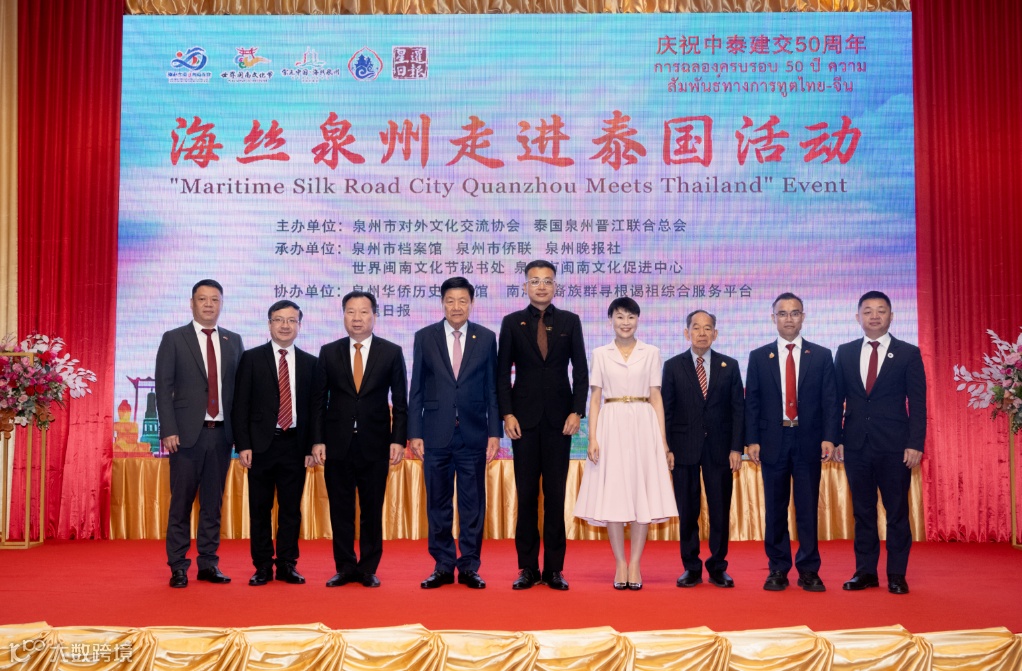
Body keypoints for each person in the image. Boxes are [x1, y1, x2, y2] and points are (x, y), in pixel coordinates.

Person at [573, 297, 677, 590]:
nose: (625, 323)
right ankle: (620, 562)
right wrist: (592, 437)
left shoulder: (651, 352)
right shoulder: (600, 353)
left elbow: (656, 397)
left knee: (642, 495)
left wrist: (663, 442)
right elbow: (595, 399)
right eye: (620, 317)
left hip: (643, 424)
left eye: (631, 317)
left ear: (638, 320)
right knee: (614, 496)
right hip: (612, 423)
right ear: (611, 321)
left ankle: (635, 564)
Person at [497, 260, 588, 591]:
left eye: (547, 281)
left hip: (559, 422)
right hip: (523, 421)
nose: (541, 286)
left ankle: (554, 569)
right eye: (534, 281)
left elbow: (581, 370)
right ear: (525, 286)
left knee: (555, 495)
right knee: (526, 495)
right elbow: (501, 373)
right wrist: (507, 414)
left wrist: (577, 411)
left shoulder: (569, 321)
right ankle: (527, 567)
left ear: (555, 286)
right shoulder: (512, 322)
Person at [744, 293, 842, 592]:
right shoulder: (759, 356)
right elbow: (752, 402)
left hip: (809, 440)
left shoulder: (821, 355)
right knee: (775, 509)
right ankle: (778, 568)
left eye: (795, 313)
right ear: (773, 318)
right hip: (772, 441)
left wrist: (830, 437)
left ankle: (809, 570)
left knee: (807, 508)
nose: (789, 319)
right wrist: (752, 440)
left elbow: (831, 401)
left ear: (803, 317)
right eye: (783, 313)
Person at [310, 291, 408, 588]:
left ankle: (367, 568)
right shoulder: (329, 352)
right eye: (350, 312)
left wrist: (398, 439)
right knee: (340, 509)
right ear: (343, 316)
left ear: (374, 316)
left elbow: (400, 402)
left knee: (371, 509)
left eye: (363, 312)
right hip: (337, 444)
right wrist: (317, 440)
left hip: (375, 443)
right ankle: (344, 567)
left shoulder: (391, 352)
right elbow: (318, 402)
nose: (357, 318)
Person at [408, 277, 501, 589]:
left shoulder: (485, 338)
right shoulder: (425, 337)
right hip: (435, 434)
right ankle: (443, 565)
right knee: (438, 504)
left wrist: (494, 432)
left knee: (473, 505)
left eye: (462, 301)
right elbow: (417, 388)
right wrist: (415, 432)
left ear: (471, 303)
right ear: (442, 303)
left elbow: (492, 388)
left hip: (473, 434)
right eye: (450, 300)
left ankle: (470, 566)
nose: (456, 306)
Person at [834, 290, 927, 595]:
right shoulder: (845, 352)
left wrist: (915, 443)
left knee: (896, 512)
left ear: (891, 316)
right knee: (863, 512)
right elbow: (835, 401)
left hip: (895, 447)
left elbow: (918, 403)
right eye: (868, 311)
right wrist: (836, 439)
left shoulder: (908, 353)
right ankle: (865, 572)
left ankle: (897, 574)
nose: (874, 316)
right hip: (856, 445)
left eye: (881, 310)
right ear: (857, 317)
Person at [155, 279, 244, 588]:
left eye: (214, 299)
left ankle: (208, 563)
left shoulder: (233, 340)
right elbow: (163, 387)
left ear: (221, 304)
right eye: (202, 299)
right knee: (180, 504)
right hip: (185, 437)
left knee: (212, 504)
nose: (208, 304)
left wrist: (240, 435)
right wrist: (168, 429)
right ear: (191, 303)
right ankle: (178, 566)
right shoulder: (174, 338)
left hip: (221, 436)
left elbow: (239, 392)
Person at [232, 300, 317, 587]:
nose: (285, 325)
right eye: (279, 320)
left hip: (295, 445)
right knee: (260, 509)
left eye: (291, 320)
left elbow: (315, 409)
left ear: (299, 325)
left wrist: (311, 446)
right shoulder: (252, 358)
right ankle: (262, 566)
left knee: (291, 509)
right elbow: (240, 405)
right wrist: (243, 445)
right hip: (260, 447)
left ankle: (287, 564)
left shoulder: (310, 363)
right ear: (269, 324)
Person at [662, 309, 744, 589]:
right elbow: (666, 410)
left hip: (720, 449)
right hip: (683, 448)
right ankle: (691, 567)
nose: (702, 333)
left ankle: (718, 567)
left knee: (720, 509)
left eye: (707, 328)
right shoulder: (673, 366)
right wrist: (667, 447)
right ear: (687, 333)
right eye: (696, 328)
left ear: (715, 334)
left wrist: (736, 448)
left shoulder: (729, 365)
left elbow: (738, 409)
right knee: (688, 511)